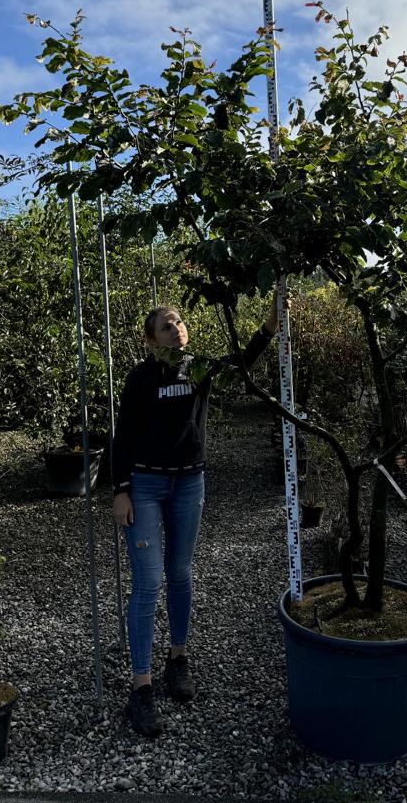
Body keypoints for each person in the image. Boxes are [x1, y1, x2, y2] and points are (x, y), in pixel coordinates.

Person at [111, 290, 283, 737]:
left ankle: (178, 658)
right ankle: (142, 685)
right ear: (151, 340)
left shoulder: (200, 368)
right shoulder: (140, 379)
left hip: (190, 483)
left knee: (182, 573)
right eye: (167, 325)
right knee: (148, 583)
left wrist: (269, 326)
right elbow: (123, 436)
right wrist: (121, 490)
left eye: (180, 322)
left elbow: (244, 363)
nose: (177, 328)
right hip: (146, 485)